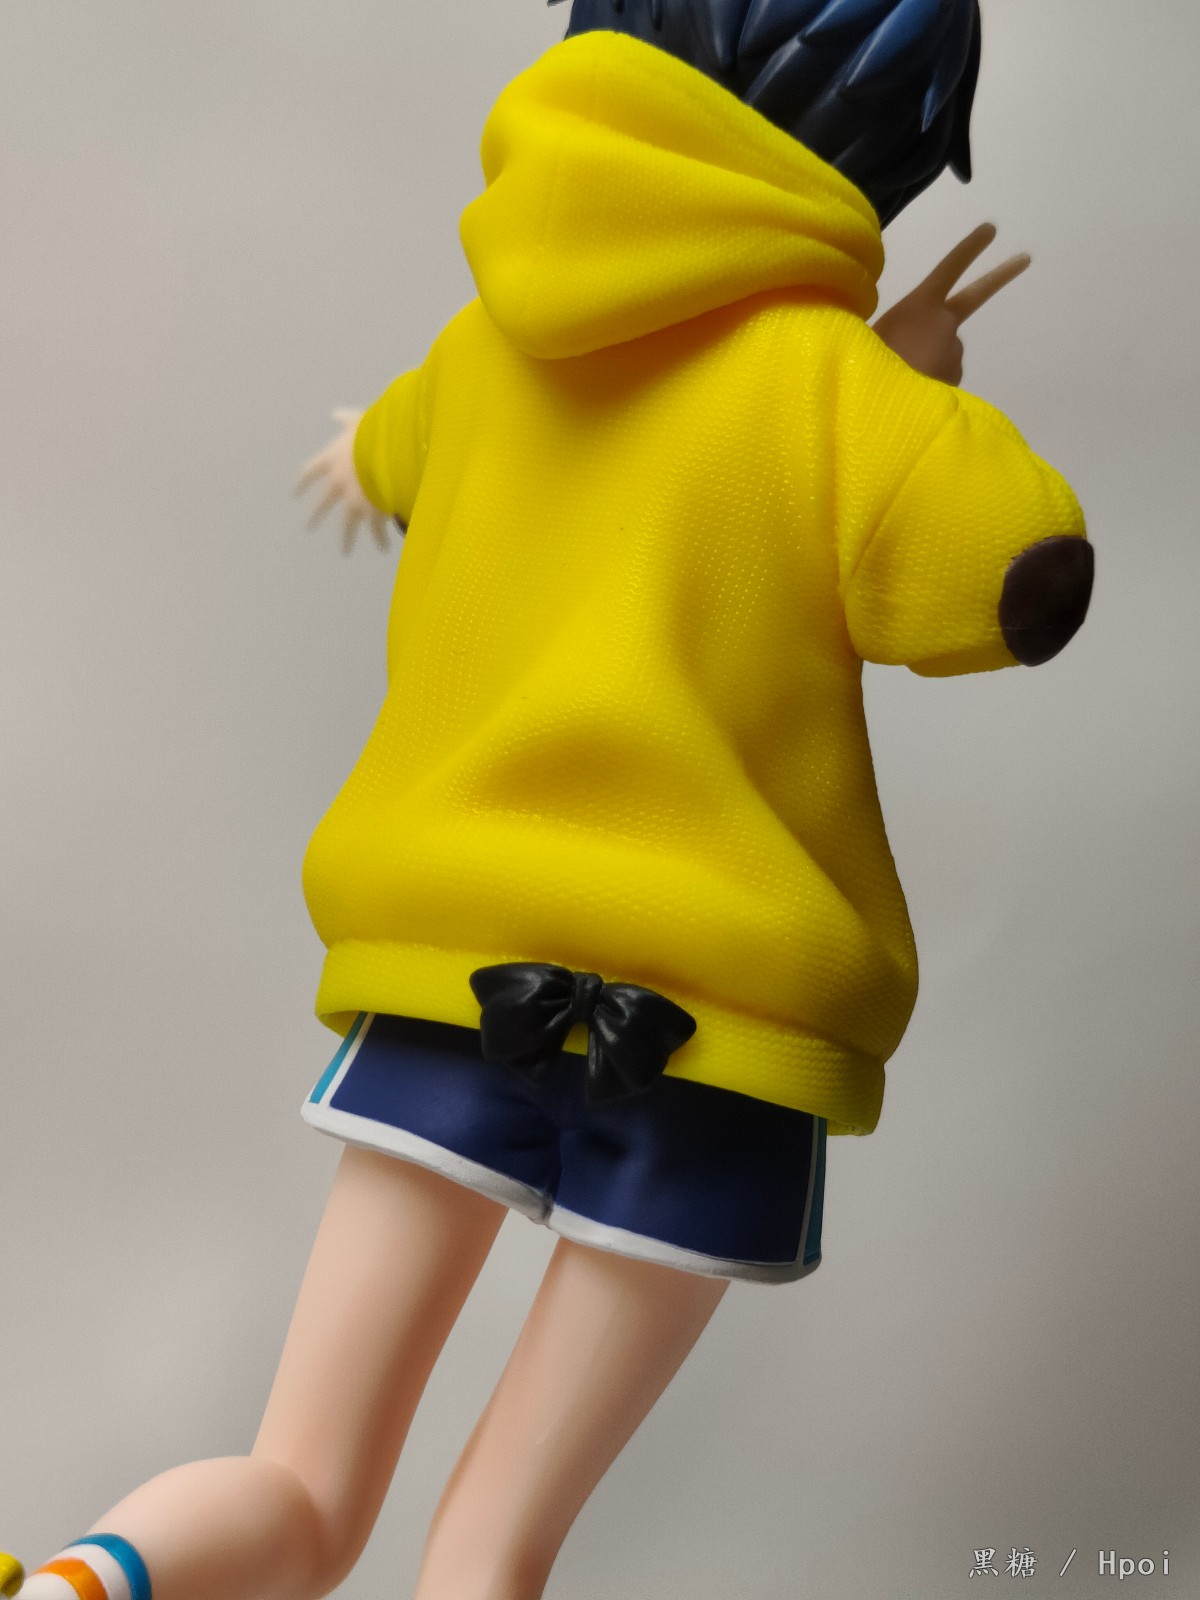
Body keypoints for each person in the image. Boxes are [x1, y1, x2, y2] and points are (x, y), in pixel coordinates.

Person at [10, 3, 1092, 1599]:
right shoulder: (842, 395)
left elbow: (381, 454)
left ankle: (80, 1586)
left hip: (448, 988)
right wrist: (912, 389)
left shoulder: (487, 343)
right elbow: (1018, 583)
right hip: (711, 1039)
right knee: (492, 1545)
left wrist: (360, 456)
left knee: (302, 1482)